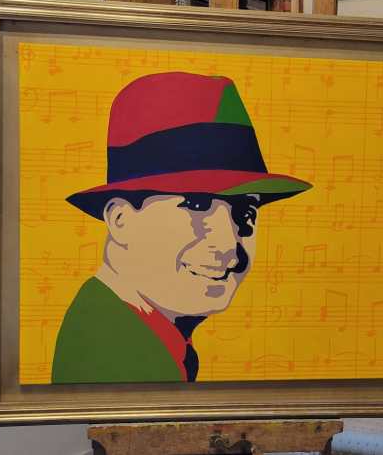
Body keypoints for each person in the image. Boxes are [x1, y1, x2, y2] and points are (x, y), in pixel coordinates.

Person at [51, 72, 312, 384]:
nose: (229, 246)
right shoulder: (118, 352)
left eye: (245, 212)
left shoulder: (142, 332)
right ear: (120, 219)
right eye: (196, 205)